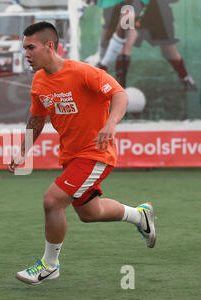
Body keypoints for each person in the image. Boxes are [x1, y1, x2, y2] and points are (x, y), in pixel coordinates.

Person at [9, 22, 155, 285]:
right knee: (90, 212)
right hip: (72, 158)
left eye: (31, 47)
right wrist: (23, 150)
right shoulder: (39, 81)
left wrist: (110, 124)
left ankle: (49, 266)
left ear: (50, 46)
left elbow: (120, 95)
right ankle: (139, 215)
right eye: (24, 48)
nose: (26, 53)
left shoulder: (83, 72)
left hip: (96, 153)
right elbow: (37, 119)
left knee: (52, 201)